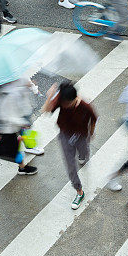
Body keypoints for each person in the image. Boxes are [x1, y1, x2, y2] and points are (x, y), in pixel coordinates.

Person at [42, 81, 98, 209]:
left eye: (69, 103)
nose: (66, 106)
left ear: (75, 98)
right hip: (65, 135)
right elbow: (45, 111)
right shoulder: (60, 100)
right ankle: (79, 191)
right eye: (64, 103)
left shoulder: (85, 106)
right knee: (70, 165)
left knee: (83, 153)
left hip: (81, 135)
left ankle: (83, 156)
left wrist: (91, 132)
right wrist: (50, 97)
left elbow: (94, 119)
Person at [0, 78, 39, 176]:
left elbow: (18, 88)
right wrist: (23, 123)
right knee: (12, 148)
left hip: (8, 128)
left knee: (1, 148)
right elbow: (8, 117)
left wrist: (28, 86)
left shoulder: (6, 87)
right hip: (8, 128)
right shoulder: (7, 95)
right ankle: (22, 168)